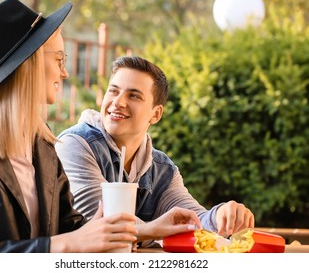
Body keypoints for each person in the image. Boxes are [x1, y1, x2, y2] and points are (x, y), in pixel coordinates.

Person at [0, 0, 201, 253]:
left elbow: (70, 230)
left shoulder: (43, 146)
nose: (65, 72)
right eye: (59, 59)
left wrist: (127, 232)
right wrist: (65, 245)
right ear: (31, 63)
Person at [55, 56, 255, 247]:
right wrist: (155, 231)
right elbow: (99, 218)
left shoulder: (162, 169)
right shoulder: (75, 144)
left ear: (156, 114)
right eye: (113, 91)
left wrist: (221, 215)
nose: (118, 102)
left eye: (133, 95)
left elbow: (192, 221)